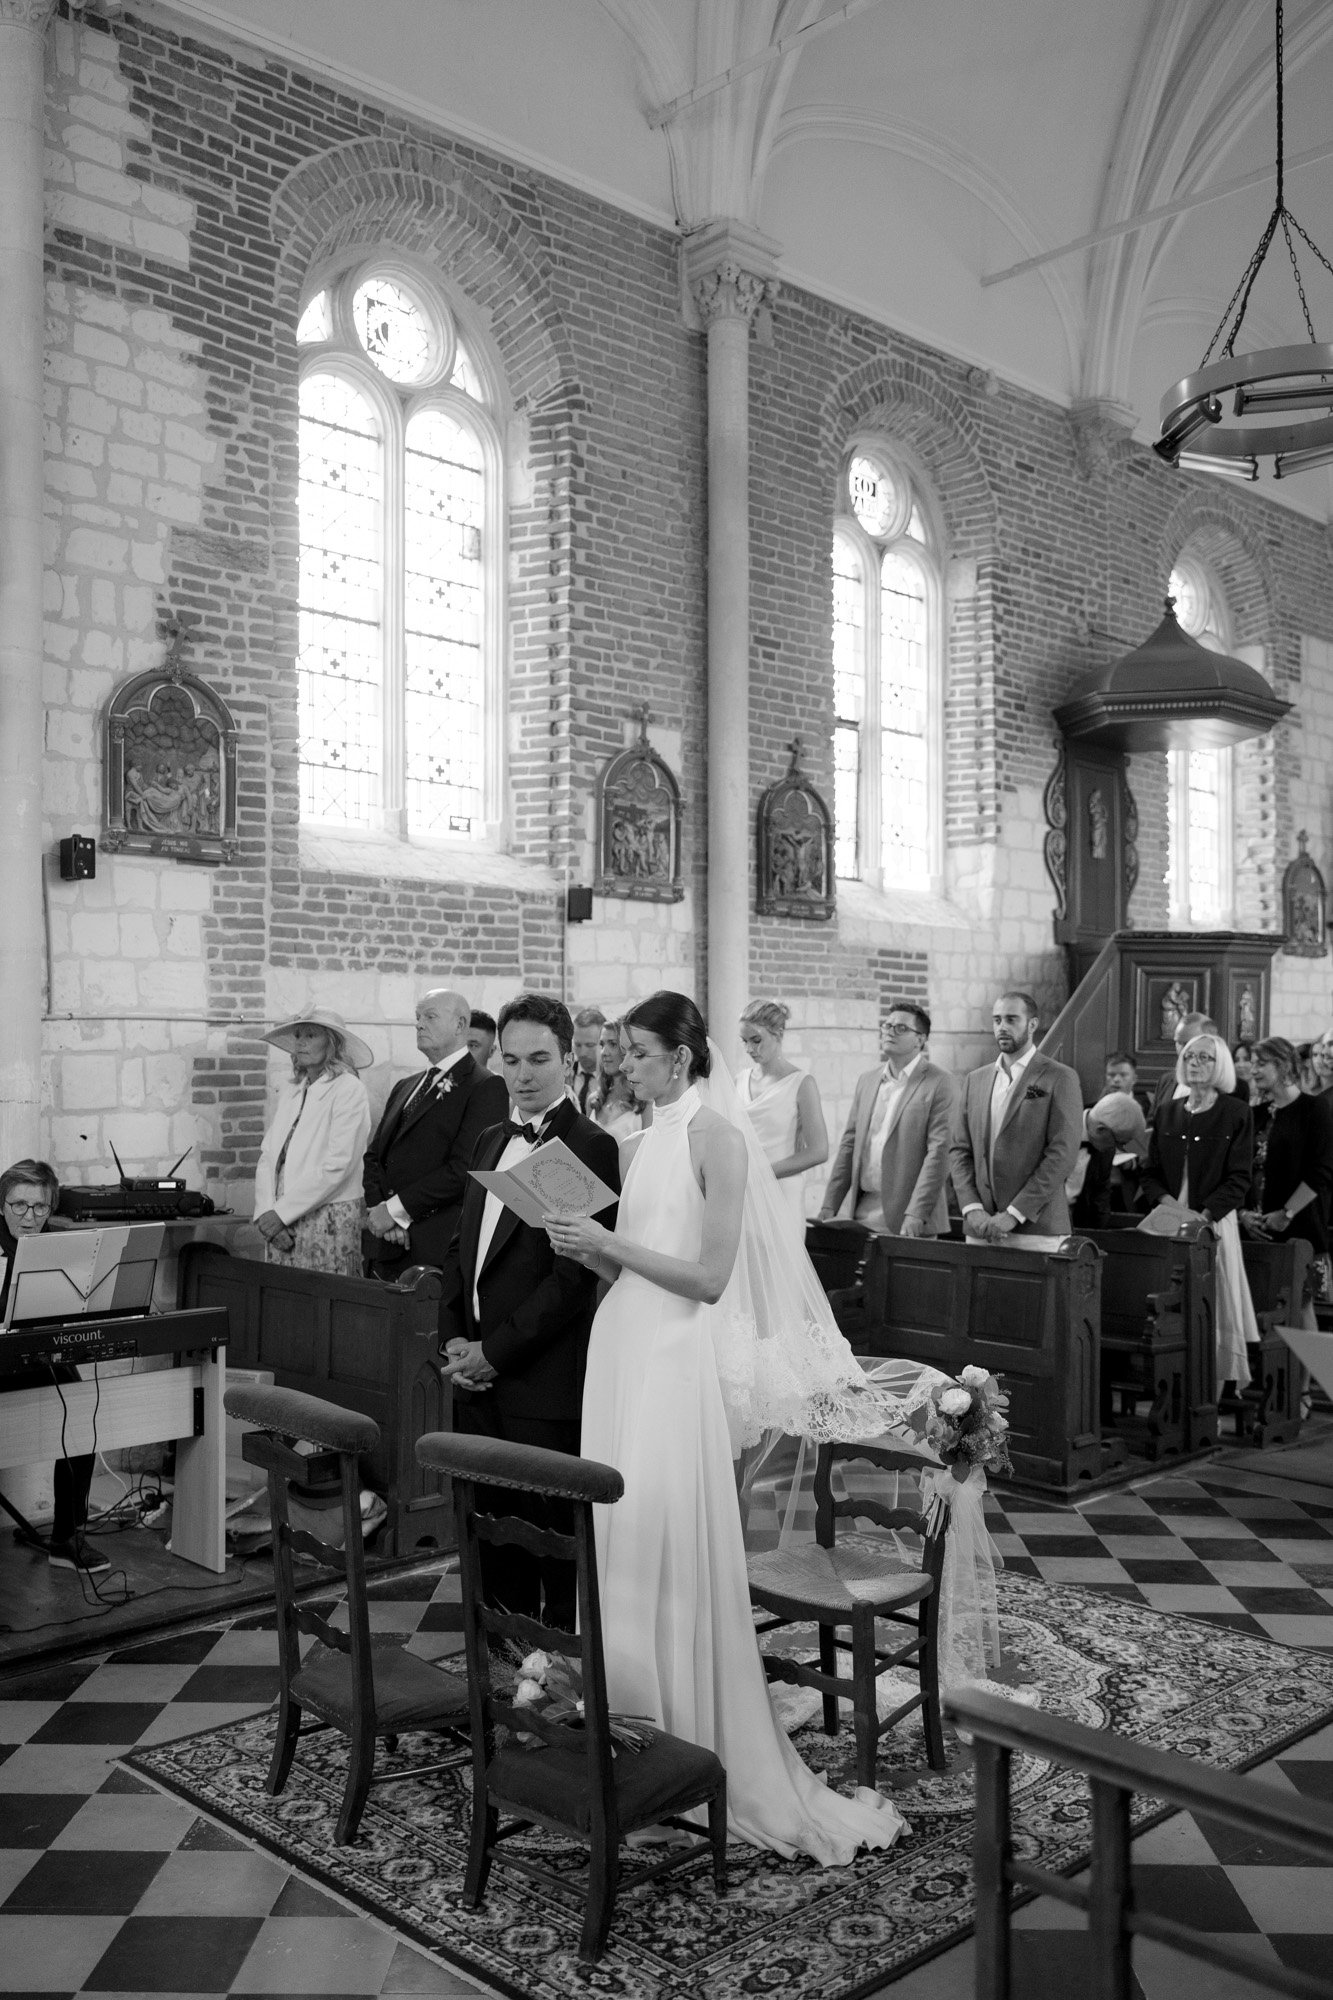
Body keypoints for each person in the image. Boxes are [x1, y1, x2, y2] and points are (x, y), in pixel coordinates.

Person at [545, 990, 922, 1863]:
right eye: (622, 1052)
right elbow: (638, 1259)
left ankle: (688, 1731)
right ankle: (625, 1721)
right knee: (618, 1531)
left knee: (664, 1522)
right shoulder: (638, 1143)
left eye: (636, 1052)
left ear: (680, 1057)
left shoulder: (714, 1138)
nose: (621, 1065)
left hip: (673, 1355)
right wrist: (588, 1247)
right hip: (623, 1345)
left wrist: (609, 1248)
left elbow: (709, 1278)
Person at [439, 994, 620, 1629]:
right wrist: (456, 1342)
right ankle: (498, 1675)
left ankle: (553, 1687)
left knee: (548, 1546)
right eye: (511, 1059)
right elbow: (463, 1249)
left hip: (540, 1385)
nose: (522, 1074)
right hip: (477, 1376)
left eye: (540, 1058)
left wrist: (496, 1352)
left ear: (571, 1058)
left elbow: (569, 1283)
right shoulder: (492, 1136)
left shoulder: (588, 1145)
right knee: (489, 1541)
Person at [0, 1160, 106, 1574]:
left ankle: (67, 1538)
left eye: (39, 1208)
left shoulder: (62, 1244)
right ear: (2, 1205)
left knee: (80, 1415)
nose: (29, 1217)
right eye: (18, 1206)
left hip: (40, 1355)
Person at [362, 988, 508, 1277]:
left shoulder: (485, 1086)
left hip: (433, 1247)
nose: (419, 1024)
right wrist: (382, 1211)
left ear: (460, 1025)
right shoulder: (406, 1085)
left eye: (430, 1016)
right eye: (417, 1017)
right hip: (385, 1243)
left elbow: (464, 1169)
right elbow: (374, 1156)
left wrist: (396, 1211)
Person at [1141, 1032, 1257, 1388]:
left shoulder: (1235, 1112)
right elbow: (1151, 1173)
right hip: (1169, 1223)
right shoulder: (1167, 1112)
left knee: (1215, 1308)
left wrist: (1200, 1219)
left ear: (1220, 1064)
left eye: (1206, 1057)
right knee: (1171, 1307)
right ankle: (1173, 1389)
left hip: (1214, 1224)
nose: (1195, 1063)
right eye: (1190, 1056)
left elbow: (1239, 1179)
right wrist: (1172, 1209)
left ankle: (1212, 1393)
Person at [949, 992, 1083, 1239]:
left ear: (1032, 1024)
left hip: (1036, 1226)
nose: (1002, 1027)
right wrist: (972, 1207)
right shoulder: (975, 1080)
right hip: (981, 1225)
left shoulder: (1059, 1077)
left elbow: (1062, 1154)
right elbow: (959, 1150)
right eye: (997, 1020)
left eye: (1011, 1019)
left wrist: (1014, 1213)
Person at [819, 999, 956, 1236]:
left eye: (901, 1028)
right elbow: (849, 1144)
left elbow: (940, 1153)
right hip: (862, 1213)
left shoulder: (940, 1082)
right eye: (887, 1025)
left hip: (910, 1219)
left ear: (920, 1039)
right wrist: (829, 1205)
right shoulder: (868, 1080)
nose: (890, 1031)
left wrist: (916, 1213)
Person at [253, 1010, 373, 1276]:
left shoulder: (348, 1089)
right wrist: (265, 1213)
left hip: (326, 1217)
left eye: (310, 1035)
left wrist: (280, 1214)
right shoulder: (293, 1090)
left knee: (325, 1304)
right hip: (279, 1219)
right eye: (297, 1036)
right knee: (283, 1300)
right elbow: (268, 1154)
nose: (301, 1043)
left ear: (332, 1043)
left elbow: (338, 1165)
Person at [1240, 1037, 1333, 1315]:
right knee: (1261, 1312)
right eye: (1252, 1063)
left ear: (1282, 1066)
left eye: (1261, 1063)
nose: (1253, 1070)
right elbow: (1240, 1169)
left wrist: (1287, 1213)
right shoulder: (1254, 1113)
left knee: (1303, 1311)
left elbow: (1322, 1170)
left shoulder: (1313, 1108)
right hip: (1256, 1228)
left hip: (1301, 1227)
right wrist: (1243, 1213)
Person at [737, 999, 829, 1238]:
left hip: (781, 1190)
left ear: (778, 1033)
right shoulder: (739, 1080)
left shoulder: (802, 1083)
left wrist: (762, 1173)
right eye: (744, 1041)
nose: (749, 1049)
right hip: (744, 1190)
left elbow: (819, 1151)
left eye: (756, 1040)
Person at [1067, 1093, 1149, 1232]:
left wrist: (1101, 1237)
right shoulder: (1057, 1124)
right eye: (1119, 1143)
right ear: (1101, 1130)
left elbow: (1100, 1196)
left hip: (1076, 1228)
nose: (1118, 1150)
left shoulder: (1105, 1145)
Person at [1151, 1012, 1250, 1116]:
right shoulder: (1165, 1081)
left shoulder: (1238, 1088)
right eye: (1178, 1042)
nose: (1182, 1050)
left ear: (1212, 1041)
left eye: (1188, 1042)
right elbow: (1153, 1123)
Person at [587, 1016, 640, 1141]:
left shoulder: (644, 1102)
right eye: (602, 1044)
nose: (604, 1052)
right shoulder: (594, 1100)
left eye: (613, 1044)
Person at [570, 1006, 605, 1115]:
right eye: (578, 1045)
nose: (583, 1052)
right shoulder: (563, 1075)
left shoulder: (614, 1081)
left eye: (590, 1045)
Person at [1104, 1051, 1153, 1122]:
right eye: (1111, 1075)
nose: (1116, 1080)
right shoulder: (1094, 1110)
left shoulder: (1148, 1108)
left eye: (1123, 1075)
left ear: (1134, 1079)